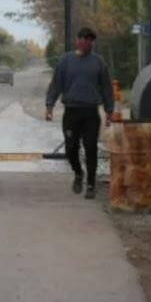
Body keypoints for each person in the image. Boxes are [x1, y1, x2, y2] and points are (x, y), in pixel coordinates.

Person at [45, 27, 114, 200]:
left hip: (91, 112)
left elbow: (106, 87)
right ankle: (78, 173)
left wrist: (109, 110)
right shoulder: (66, 61)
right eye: (85, 40)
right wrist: (49, 106)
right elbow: (56, 85)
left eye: (91, 41)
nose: (88, 43)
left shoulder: (98, 62)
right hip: (71, 112)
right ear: (78, 40)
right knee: (71, 148)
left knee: (91, 147)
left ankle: (91, 184)